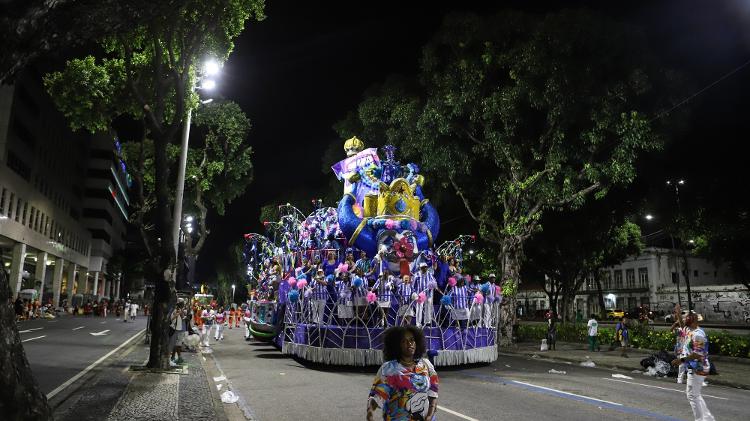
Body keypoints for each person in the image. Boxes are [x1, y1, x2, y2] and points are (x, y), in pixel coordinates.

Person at [367, 326, 439, 421]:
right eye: (404, 341)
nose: (410, 343)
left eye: (412, 340)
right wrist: (370, 413)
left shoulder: (426, 365)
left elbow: (433, 393)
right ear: (397, 345)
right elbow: (377, 396)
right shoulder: (388, 368)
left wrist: (430, 414)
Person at [671, 312, 714, 421]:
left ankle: (700, 419)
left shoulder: (698, 334)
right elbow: (682, 326)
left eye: (686, 318)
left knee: (692, 395)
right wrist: (678, 313)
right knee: (695, 395)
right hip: (694, 367)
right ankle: (708, 418)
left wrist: (680, 360)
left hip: (699, 368)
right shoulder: (690, 331)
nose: (684, 320)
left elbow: (697, 354)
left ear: (692, 320)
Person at [412, 262, 435, 327]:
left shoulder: (429, 274)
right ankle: (418, 323)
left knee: (428, 306)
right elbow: (413, 285)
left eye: (425, 267)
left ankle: (427, 322)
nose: (425, 269)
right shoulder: (417, 275)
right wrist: (415, 293)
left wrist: (432, 286)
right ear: (420, 268)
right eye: (423, 267)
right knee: (419, 308)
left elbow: (434, 282)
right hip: (420, 294)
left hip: (428, 294)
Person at [169, 300, 187, 366]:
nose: (183, 306)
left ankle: (174, 358)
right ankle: (171, 359)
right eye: (182, 304)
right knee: (172, 345)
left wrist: (181, 312)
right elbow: (171, 319)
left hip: (179, 329)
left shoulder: (180, 310)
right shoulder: (174, 310)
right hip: (175, 329)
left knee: (176, 344)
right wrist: (176, 314)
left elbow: (183, 317)